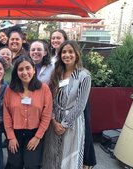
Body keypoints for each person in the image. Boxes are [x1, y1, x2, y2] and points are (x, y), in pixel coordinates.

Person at [43, 40, 91, 169]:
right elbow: (50, 99)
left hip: (72, 123)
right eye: (64, 52)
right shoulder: (57, 73)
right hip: (54, 121)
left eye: (70, 52)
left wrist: (63, 125)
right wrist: (54, 121)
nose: (67, 55)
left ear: (77, 54)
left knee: (69, 157)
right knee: (52, 154)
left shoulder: (84, 76)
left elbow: (81, 105)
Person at [3, 56, 52, 169]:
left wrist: (37, 137)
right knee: (15, 164)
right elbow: (7, 116)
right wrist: (11, 137)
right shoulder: (10, 90)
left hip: (35, 133)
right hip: (15, 133)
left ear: (34, 70)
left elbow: (47, 115)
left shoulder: (44, 89)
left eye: (27, 68)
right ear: (16, 72)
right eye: (20, 69)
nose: (24, 72)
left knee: (32, 165)